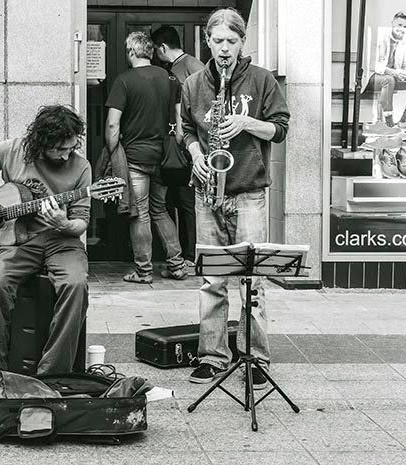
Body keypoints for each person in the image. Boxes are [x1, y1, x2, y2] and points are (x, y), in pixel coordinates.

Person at [181, 8, 290, 387]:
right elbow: (185, 131)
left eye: (231, 41)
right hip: (207, 193)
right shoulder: (194, 83)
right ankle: (212, 356)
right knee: (212, 280)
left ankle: (255, 357)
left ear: (242, 42)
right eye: (217, 41)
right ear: (206, 41)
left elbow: (280, 129)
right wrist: (196, 155)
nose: (224, 49)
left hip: (248, 192)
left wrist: (245, 122)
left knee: (253, 279)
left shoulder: (262, 80)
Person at [0, 105, 90, 382]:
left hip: (62, 241)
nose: (66, 155)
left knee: (75, 285)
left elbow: (81, 222)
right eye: (60, 149)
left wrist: (63, 223)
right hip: (16, 241)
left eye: (71, 147)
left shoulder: (81, 167)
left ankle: (53, 374)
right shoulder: (13, 150)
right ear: (41, 142)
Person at [105, 31, 186, 284]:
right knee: (160, 210)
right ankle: (177, 265)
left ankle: (143, 271)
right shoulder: (170, 78)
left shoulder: (124, 81)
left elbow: (112, 126)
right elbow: (180, 122)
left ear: (131, 52)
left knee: (140, 213)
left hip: (135, 158)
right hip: (162, 158)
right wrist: (175, 148)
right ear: (150, 52)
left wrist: (112, 153)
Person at [151, 26, 205, 266]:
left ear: (162, 47)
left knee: (185, 203)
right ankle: (183, 253)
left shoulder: (188, 68)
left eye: (156, 50)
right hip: (181, 145)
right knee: (177, 203)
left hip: (187, 146)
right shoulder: (191, 65)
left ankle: (191, 254)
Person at [364, 11, 406, 132]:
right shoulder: (379, 37)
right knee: (389, 79)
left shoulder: (402, 44)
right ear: (392, 23)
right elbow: (370, 63)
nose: (401, 29)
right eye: (399, 25)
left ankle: (404, 121)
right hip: (372, 77)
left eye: (405, 27)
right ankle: (389, 124)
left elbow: (403, 65)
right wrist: (391, 72)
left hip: (391, 79)